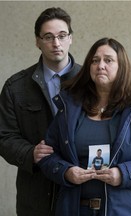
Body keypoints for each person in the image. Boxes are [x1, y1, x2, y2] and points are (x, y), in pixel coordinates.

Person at [37, 37, 131, 216]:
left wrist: (124, 174)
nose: (100, 65)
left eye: (108, 60)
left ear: (122, 67)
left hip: (130, 210)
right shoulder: (70, 107)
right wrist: (66, 172)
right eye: (95, 60)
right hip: (76, 208)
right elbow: (47, 155)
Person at [0, 7, 81, 216]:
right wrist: (30, 153)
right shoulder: (16, 87)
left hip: (81, 191)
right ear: (37, 41)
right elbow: (4, 136)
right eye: (48, 37)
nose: (56, 43)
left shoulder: (89, 80)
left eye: (62, 36)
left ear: (70, 38)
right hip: (35, 193)